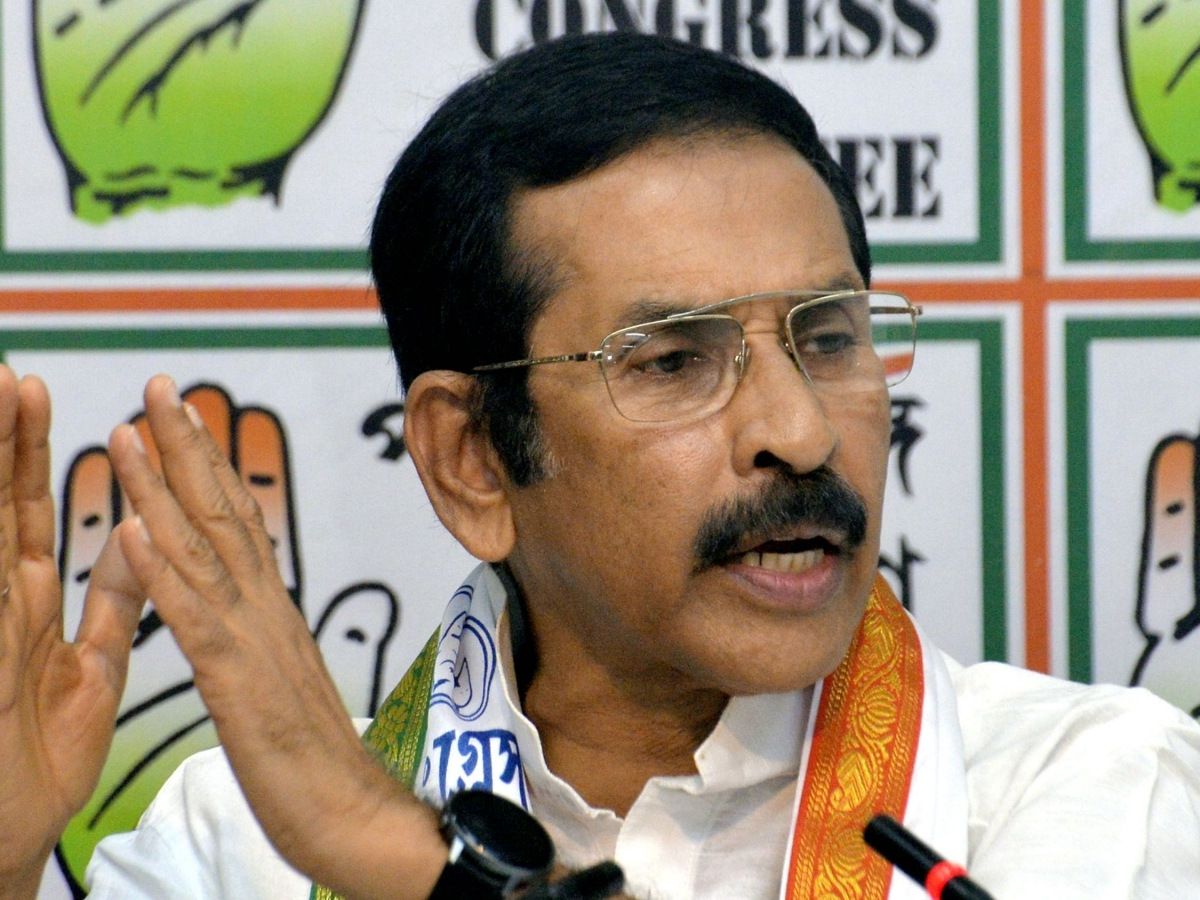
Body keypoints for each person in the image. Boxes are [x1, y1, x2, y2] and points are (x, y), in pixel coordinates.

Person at [1, 32, 1198, 900]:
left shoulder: (1089, 787)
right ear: (473, 459)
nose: (802, 431)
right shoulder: (244, 847)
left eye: (830, 337)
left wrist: (407, 863)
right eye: (675, 361)